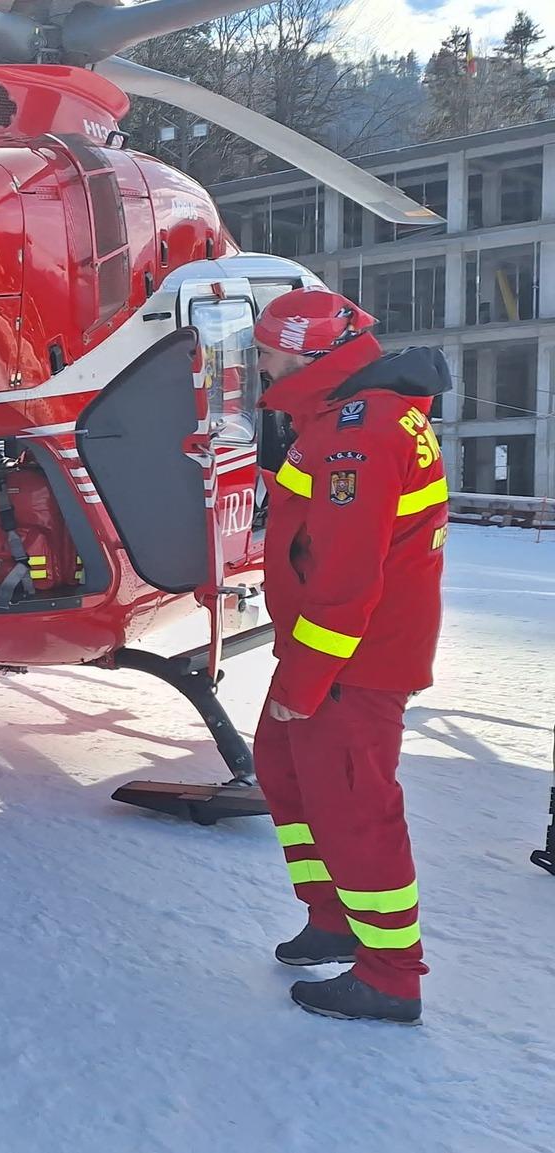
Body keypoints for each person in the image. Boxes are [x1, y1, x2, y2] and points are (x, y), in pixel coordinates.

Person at [248, 286, 447, 1024]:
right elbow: (317, 520)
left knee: (356, 808)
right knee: (284, 768)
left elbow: (346, 576)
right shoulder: (341, 420)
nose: (262, 366)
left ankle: (391, 974)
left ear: (303, 350)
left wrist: (305, 677)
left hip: (349, 659)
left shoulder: (356, 436)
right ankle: (332, 916)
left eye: (267, 351)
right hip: (327, 651)